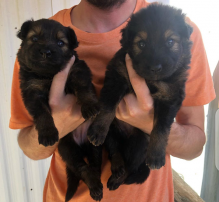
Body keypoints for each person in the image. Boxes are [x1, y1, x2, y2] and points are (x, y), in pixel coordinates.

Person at [10, 0, 215, 201]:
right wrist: (57, 123)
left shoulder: (183, 29)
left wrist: (149, 124)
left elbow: (195, 146)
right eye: (141, 44)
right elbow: (30, 148)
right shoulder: (34, 46)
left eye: (170, 42)